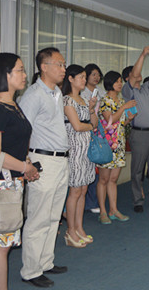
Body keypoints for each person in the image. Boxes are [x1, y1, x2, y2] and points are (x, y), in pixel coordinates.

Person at [0, 53, 39, 290]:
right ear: (5, 74)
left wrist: (25, 166)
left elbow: (14, 144)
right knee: (0, 244)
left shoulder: (13, 105)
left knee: (5, 242)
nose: (25, 75)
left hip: (12, 179)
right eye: (20, 70)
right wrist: (25, 167)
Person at [19, 47, 70, 288]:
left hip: (61, 160)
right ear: (44, 67)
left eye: (63, 64)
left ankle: (45, 262)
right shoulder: (33, 94)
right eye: (59, 64)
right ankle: (30, 270)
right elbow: (22, 131)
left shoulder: (56, 92)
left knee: (53, 217)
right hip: (43, 160)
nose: (63, 69)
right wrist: (26, 163)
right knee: (38, 218)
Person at [122, 46, 149, 213]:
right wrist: (143, 54)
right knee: (137, 169)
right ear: (127, 78)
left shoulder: (146, 88)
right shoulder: (128, 91)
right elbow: (134, 74)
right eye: (134, 73)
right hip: (139, 133)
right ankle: (137, 201)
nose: (139, 74)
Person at [62, 64, 98, 247]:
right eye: (81, 77)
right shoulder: (67, 100)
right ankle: (70, 230)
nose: (84, 80)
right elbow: (76, 126)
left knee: (83, 189)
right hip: (75, 150)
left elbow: (94, 123)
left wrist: (91, 109)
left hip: (87, 150)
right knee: (75, 191)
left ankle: (79, 227)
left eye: (85, 77)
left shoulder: (83, 100)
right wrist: (89, 126)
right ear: (70, 79)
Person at [96, 70, 135, 224]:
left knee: (113, 179)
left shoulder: (120, 101)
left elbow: (120, 123)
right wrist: (124, 108)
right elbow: (110, 120)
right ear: (110, 83)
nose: (120, 84)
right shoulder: (105, 100)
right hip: (106, 145)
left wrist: (129, 118)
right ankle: (103, 211)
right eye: (117, 81)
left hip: (118, 144)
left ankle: (113, 209)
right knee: (103, 179)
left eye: (120, 81)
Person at [81, 63, 103, 214]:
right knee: (86, 167)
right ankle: (87, 201)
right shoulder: (82, 93)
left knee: (95, 167)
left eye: (98, 74)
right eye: (93, 74)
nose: (96, 77)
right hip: (85, 131)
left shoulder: (100, 92)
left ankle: (92, 201)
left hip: (98, 131)